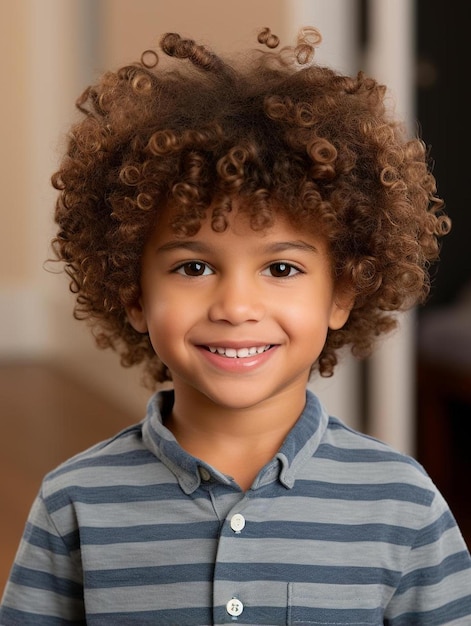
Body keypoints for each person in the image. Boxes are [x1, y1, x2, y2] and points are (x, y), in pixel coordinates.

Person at [1, 25, 470, 625]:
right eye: (194, 266)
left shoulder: (401, 503)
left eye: (280, 267)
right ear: (133, 294)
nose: (235, 305)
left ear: (342, 294)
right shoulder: (75, 504)